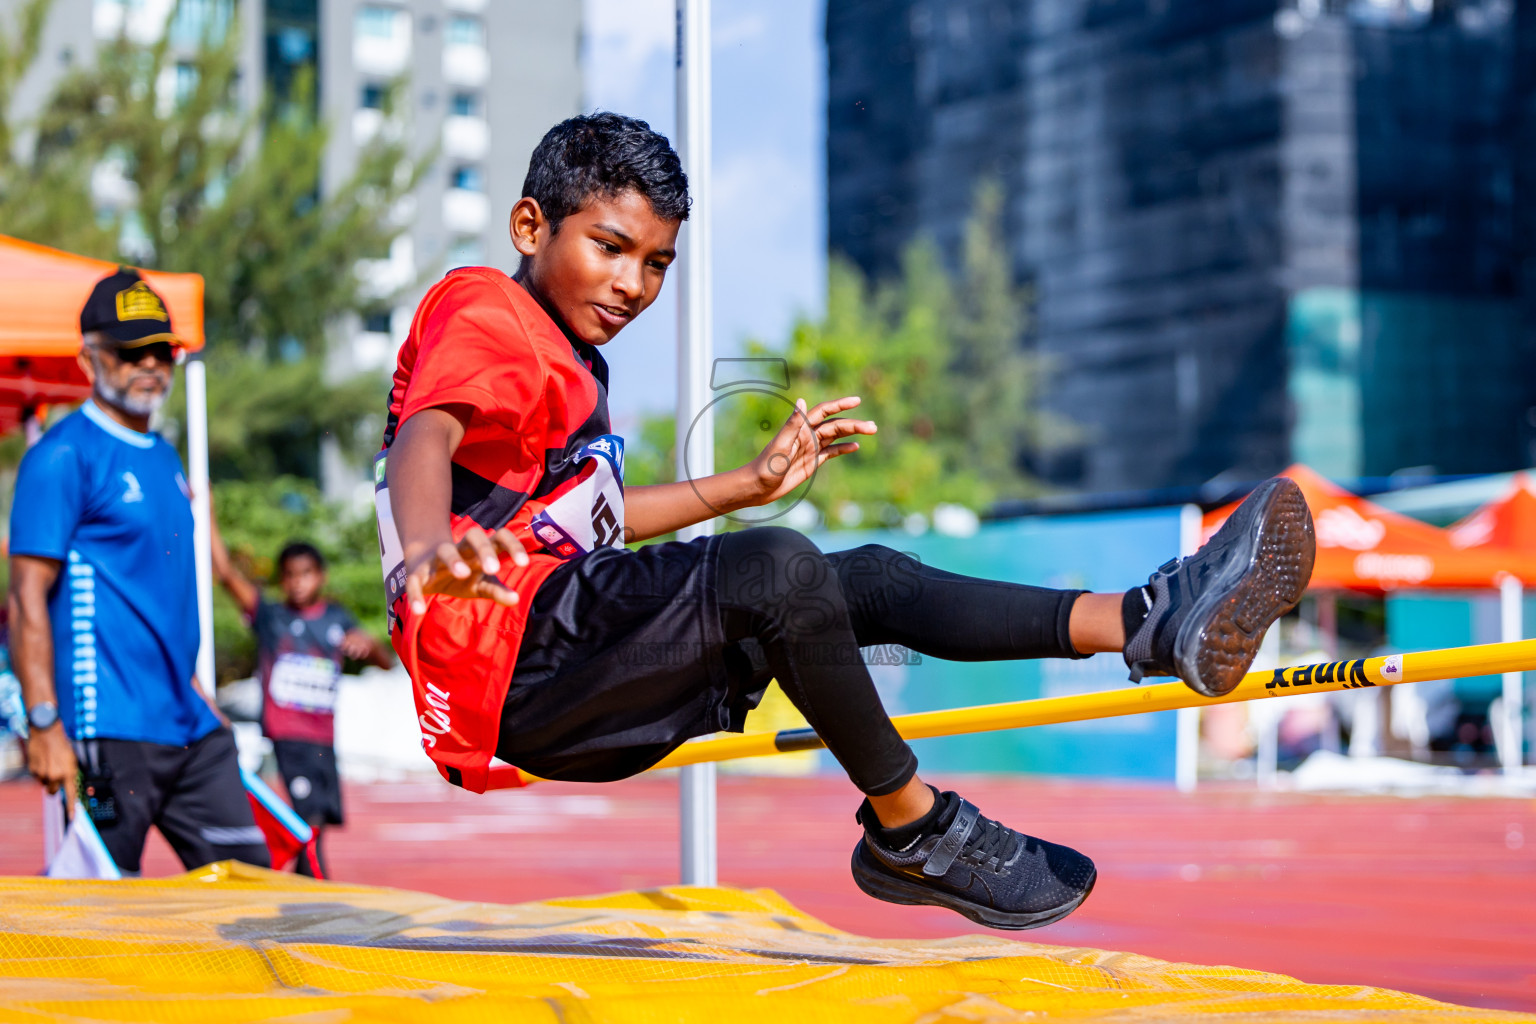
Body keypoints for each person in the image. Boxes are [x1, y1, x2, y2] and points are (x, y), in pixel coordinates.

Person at [378, 114, 1316, 930]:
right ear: (529, 225)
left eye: (657, 262)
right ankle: (914, 828)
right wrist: (426, 555)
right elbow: (426, 436)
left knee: (860, 578)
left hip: (556, 654)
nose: (633, 283)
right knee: (780, 571)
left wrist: (743, 485)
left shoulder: (576, 363)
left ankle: (1146, 621)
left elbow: (595, 521)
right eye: (610, 247)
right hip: (508, 661)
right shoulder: (489, 307)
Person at [7, 269, 269, 875]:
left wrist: (197, 688)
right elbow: (25, 600)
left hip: (188, 723)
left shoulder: (164, 455)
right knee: (93, 918)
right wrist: (43, 721)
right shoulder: (62, 455)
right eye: (131, 352)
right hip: (107, 728)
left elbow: (162, 591)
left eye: (162, 351)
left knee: (258, 897)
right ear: (89, 357)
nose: (150, 364)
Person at [210, 526, 393, 877]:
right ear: (281, 581)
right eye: (290, 576)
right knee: (307, 818)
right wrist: (207, 513)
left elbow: (384, 663)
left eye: (306, 574)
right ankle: (317, 885)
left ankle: (302, 885)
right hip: (287, 733)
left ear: (321, 576)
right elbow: (227, 575)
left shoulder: (337, 618)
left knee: (318, 819)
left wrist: (368, 644)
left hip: (323, 736)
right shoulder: (272, 617)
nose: (298, 583)